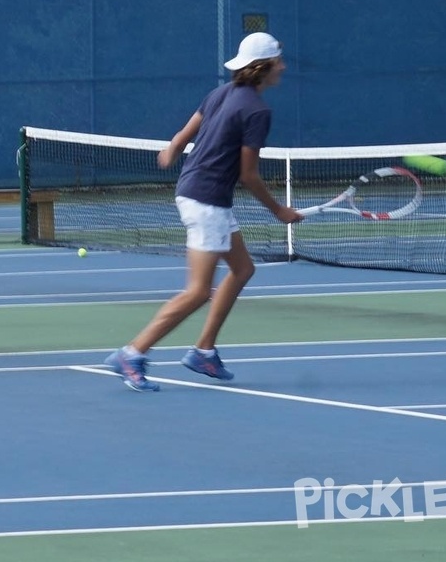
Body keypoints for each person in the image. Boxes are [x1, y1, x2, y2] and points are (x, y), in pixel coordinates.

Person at [104, 33, 304, 391]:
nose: (283, 67)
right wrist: (279, 211)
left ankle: (204, 352)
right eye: (279, 61)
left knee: (243, 269)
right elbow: (248, 174)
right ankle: (132, 353)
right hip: (206, 200)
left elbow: (184, 134)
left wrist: (171, 151)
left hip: (199, 192)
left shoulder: (219, 94)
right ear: (263, 67)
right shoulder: (257, 111)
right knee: (197, 291)